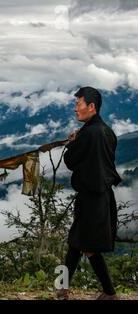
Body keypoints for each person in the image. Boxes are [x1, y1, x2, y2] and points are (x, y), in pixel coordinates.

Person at [58, 86, 122, 300]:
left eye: (79, 103)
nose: (76, 108)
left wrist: (73, 143)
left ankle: (110, 293)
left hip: (91, 197)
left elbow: (71, 161)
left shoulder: (88, 134)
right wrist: (78, 140)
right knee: (76, 242)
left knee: (89, 247)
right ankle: (62, 288)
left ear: (91, 107)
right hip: (102, 195)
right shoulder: (106, 131)